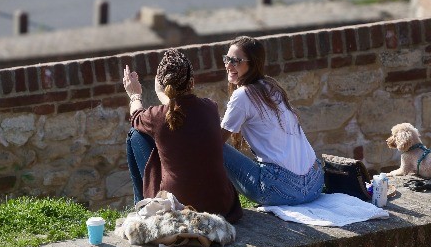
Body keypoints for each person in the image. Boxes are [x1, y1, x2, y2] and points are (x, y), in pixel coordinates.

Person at [123, 49, 243, 223]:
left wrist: (134, 94)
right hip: (222, 207)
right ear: (192, 82)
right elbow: (179, 109)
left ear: (163, 85)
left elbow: (135, 117)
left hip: (178, 209)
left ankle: (141, 206)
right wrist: (163, 94)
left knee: (135, 135)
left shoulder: (157, 116)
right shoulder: (210, 107)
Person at [220, 36, 323, 206]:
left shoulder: (243, 95)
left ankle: (212, 201)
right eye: (227, 59)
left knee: (214, 148)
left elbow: (215, 143)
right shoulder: (271, 87)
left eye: (236, 61)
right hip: (315, 184)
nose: (229, 65)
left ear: (252, 63)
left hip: (281, 190)